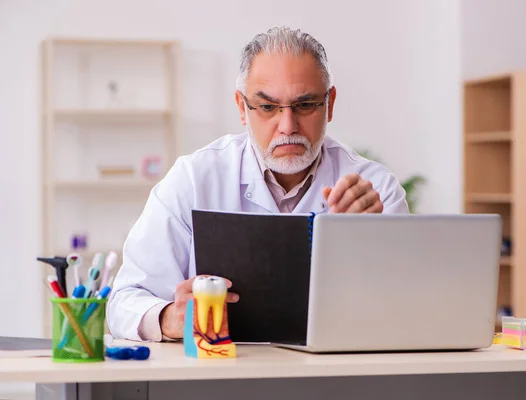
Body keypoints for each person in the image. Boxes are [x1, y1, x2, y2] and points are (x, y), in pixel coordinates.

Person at [106, 26, 410, 341]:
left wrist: (374, 243)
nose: (288, 126)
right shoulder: (193, 179)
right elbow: (123, 302)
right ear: (242, 107)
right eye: (267, 107)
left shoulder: (374, 190)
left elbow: (410, 308)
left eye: (305, 105)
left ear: (329, 104)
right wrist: (170, 318)